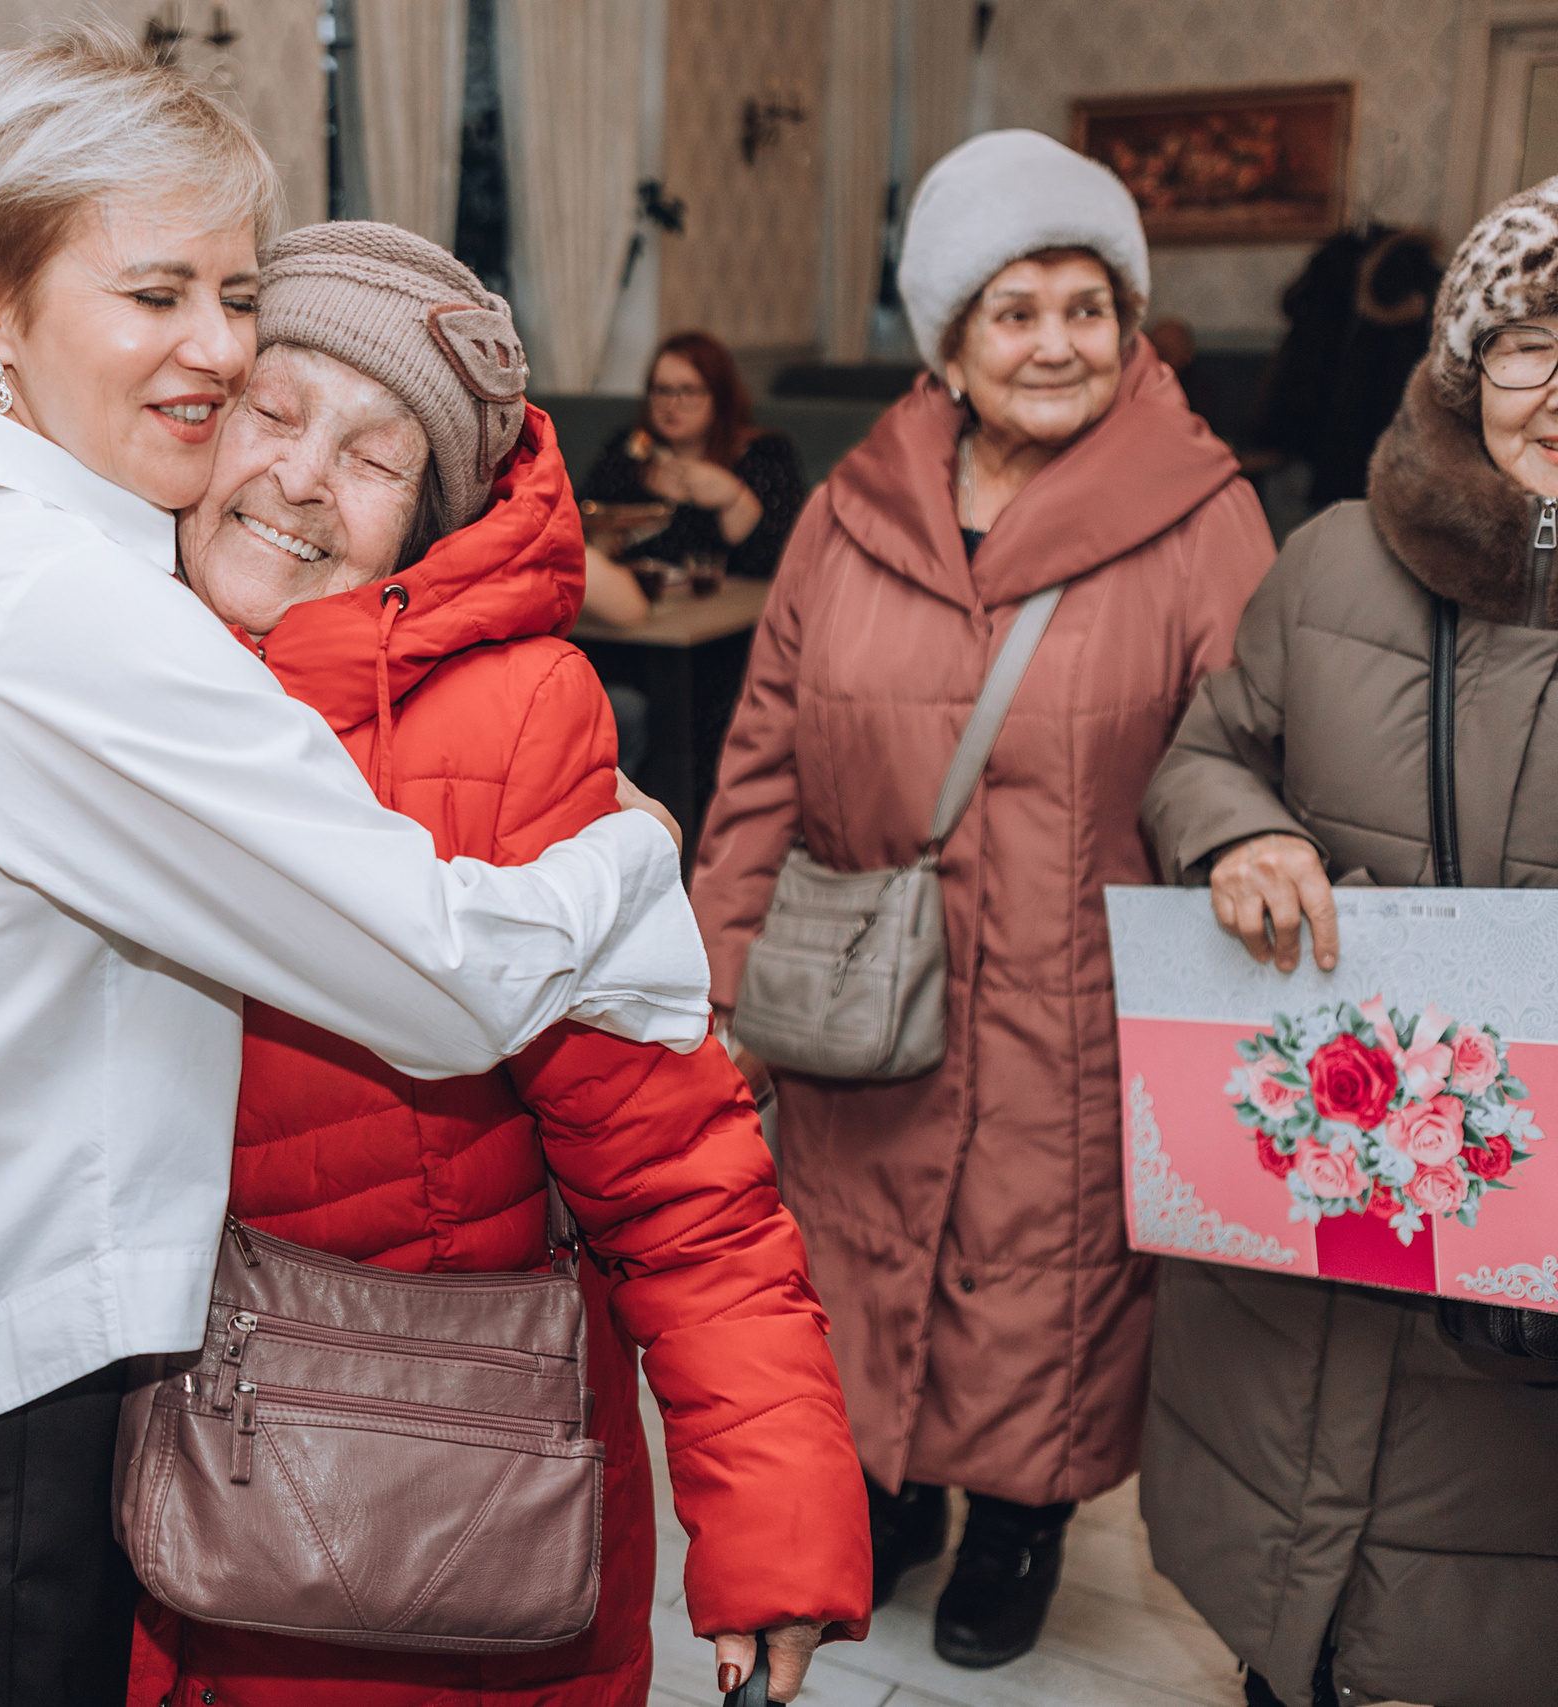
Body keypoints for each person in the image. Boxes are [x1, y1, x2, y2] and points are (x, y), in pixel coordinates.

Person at [0, 224, 872, 1706]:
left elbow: (681, 1183)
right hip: (129, 1484)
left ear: (429, 519)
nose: (298, 478)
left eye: (373, 456)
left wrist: (777, 1526)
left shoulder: (513, 725)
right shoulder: (80, 633)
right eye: (272, 416)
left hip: (424, 1513)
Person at [688, 130, 1278, 1669]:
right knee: (861, 1251)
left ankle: (1018, 1516)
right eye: (1015, 309)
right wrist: (719, 970)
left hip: (1077, 1003)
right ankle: (884, 1496)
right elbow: (760, 755)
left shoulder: (1201, 512)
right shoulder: (849, 508)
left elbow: (1254, 750)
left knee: (1039, 1279)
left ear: (1132, 323)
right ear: (948, 339)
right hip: (867, 987)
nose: (1056, 343)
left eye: (1090, 305)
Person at [1136, 180, 1558, 1707]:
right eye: (1528, 340)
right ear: (1463, 360)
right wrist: (1236, 830)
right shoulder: (1329, 560)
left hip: (1526, 1284)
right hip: (1309, 1223)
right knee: (1294, 1630)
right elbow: (1203, 750)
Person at [584, 329, 807, 584]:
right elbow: (579, 515)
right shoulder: (630, 449)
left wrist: (733, 498)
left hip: (727, 608)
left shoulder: (765, 454)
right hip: (638, 600)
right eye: (662, 390)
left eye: (689, 391)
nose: (672, 404)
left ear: (720, 397)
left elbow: (781, 563)